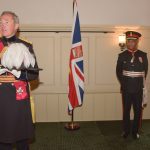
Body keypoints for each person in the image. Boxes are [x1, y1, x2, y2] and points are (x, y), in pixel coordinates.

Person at [0, 11, 39, 149]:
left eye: (6, 22)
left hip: (19, 100)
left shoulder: (26, 45)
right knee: (3, 141)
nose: (2, 25)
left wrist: (19, 74)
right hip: (1, 101)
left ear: (16, 25)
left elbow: (34, 74)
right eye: (1, 22)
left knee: (22, 140)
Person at [116, 31, 148, 139]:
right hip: (126, 89)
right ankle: (126, 131)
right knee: (126, 110)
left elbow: (145, 72)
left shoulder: (143, 55)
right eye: (128, 41)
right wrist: (124, 84)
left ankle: (135, 132)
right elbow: (118, 72)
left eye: (133, 41)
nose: (130, 43)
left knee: (138, 111)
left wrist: (140, 85)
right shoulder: (122, 56)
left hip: (139, 89)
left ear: (137, 42)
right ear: (126, 42)